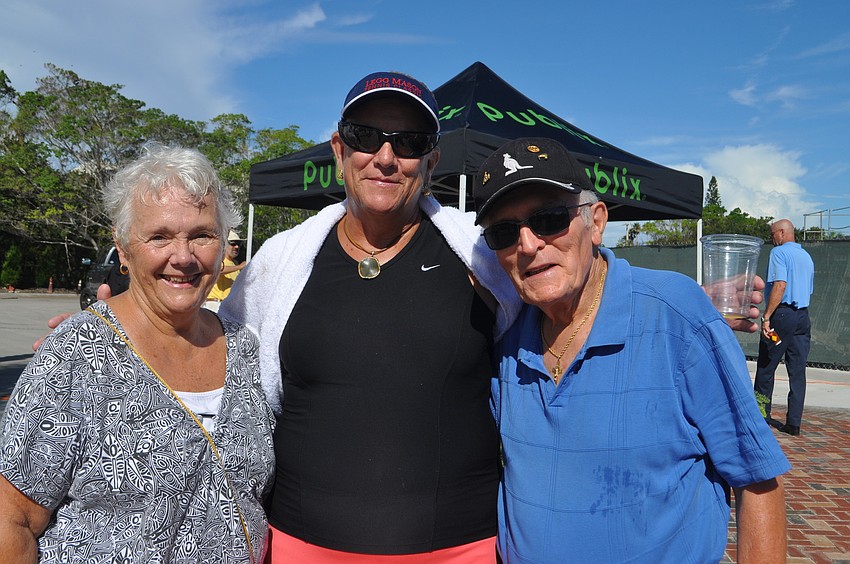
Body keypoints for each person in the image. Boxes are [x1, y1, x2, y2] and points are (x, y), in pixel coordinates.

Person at [220, 71, 521, 562]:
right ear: (339, 150)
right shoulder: (281, 262)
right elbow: (219, 349)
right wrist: (131, 330)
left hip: (460, 547)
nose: (385, 157)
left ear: (431, 161)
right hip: (303, 545)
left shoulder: (484, 258)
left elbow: (562, 308)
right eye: (366, 137)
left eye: (408, 142)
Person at [473, 137, 790, 563]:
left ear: (597, 221)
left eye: (548, 219)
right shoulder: (507, 337)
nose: (528, 244)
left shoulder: (675, 318)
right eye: (504, 231)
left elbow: (757, 482)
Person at [1, 145, 275, 563]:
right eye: (160, 236)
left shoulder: (244, 348)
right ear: (124, 248)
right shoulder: (77, 354)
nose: (182, 257)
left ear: (222, 247)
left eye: (202, 234)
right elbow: (12, 517)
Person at [754, 218, 815, 436]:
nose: (772, 239)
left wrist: (767, 316)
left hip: (781, 315)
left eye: (772, 235)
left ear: (781, 232)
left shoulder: (779, 254)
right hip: (802, 317)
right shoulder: (806, 257)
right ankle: (794, 424)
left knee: (766, 367)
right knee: (797, 371)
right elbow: (808, 291)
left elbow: (780, 285)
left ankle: (760, 416)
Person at [205, 229, 247, 312]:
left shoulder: (234, 263)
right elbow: (218, 269)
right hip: (215, 305)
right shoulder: (219, 259)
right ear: (225, 244)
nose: (237, 247)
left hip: (228, 307)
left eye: (239, 244)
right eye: (233, 244)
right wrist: (239, 267)